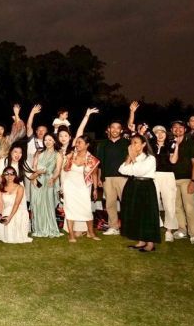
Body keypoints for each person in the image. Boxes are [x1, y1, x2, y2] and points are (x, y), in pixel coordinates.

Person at [119, 127, 161, 252]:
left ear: (143, 144)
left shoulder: (150, 158)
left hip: (145, 187)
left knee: (147, 215)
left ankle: (150, 244)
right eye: (131, 143)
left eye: (136, 143)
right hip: (133, 185)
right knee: (136, 213)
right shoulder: (133, 157)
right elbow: (122, 170)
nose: (133, 145)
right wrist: (130, 157)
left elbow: (139, 171)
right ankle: (141, 240)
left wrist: (133, 158)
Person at [89, 107, 127, 235]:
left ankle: (128, 226)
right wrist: (100, 178)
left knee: (126, 203)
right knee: (110, 204)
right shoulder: (102, 144)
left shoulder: (126, 143)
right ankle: (113, 227)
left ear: (121, 130)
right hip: (107, 178)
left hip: (123, 178)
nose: (115, 130)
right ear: (109, 129)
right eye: (113, 127)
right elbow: (99, 163)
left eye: (118, 128)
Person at [168, 121, 194, 245]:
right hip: (171, 179)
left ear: (185, 129)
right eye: (175, 127)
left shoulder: (191, 143)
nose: (178, 129)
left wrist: (193, 181)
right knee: (176, 206)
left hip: (186, 179)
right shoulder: (169, 143)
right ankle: (182, 229)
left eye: (180, 127)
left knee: (189, 207)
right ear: (171, 129)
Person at [62, 135, 101, 242]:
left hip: (83, 186)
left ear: (87, 145)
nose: (77, 144)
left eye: (80, 142)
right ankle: (71, 235)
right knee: (69, 208)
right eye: (77, 142)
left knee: (87, 208)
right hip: (69, 184)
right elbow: (65, 169)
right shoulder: (72, 155)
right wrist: (68, 159)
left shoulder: (92, 159)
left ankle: (91, 233)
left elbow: (94, 174)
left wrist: (95, 189)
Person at [148, 124, 179, 242]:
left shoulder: (170, 145)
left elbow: (173, 161)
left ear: (166, 134)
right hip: (153, 175)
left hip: (168, 175)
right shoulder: (150, 146)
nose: (160, 135)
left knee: (169, 203)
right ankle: (155, 226)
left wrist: (177, 147)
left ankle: (169, 231)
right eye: (157, 132)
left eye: (162, 132)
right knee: (153, 202)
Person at [29, 134, 63, 238]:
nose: (47, 142)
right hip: (37, 180)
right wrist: (34, 178)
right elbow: (34, 167)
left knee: (48, 204)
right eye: (45, 140)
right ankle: (39, 228)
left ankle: (50, 227)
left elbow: (57, 170)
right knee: (38, 204)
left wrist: (53, 178)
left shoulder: (58, 154)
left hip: (49, 180)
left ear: (54, 141)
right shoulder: (39, 153)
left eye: (50, 140)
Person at [0, 105, 26, 182]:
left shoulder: (8, 139)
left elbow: (19, 132)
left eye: (2, 129)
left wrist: (16, 115)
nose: (0, 131)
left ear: (4, 130)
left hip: (6, 163)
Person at [0, 167, 31, 244]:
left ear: (15, 175)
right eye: (7, 174)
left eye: (12, 174)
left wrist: (9, 218)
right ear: (3, 175)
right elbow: (0, 202)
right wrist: (0, 215)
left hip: (18, 211)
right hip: (5, 210)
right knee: (6, 213)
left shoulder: (20, 188)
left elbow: (16, 204)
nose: (9, 176)